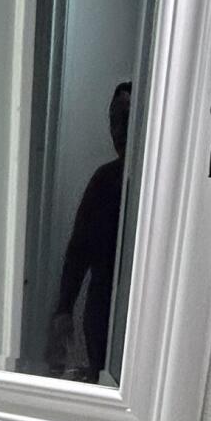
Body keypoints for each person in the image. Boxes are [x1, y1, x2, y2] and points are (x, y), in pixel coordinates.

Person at [46, 81, 131, 381]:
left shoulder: (159, 187)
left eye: (127, 119)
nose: (119, 129)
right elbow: (78, 248)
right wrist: (64, 308)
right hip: (100, 306)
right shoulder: (105, 180)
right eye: (115, 119)